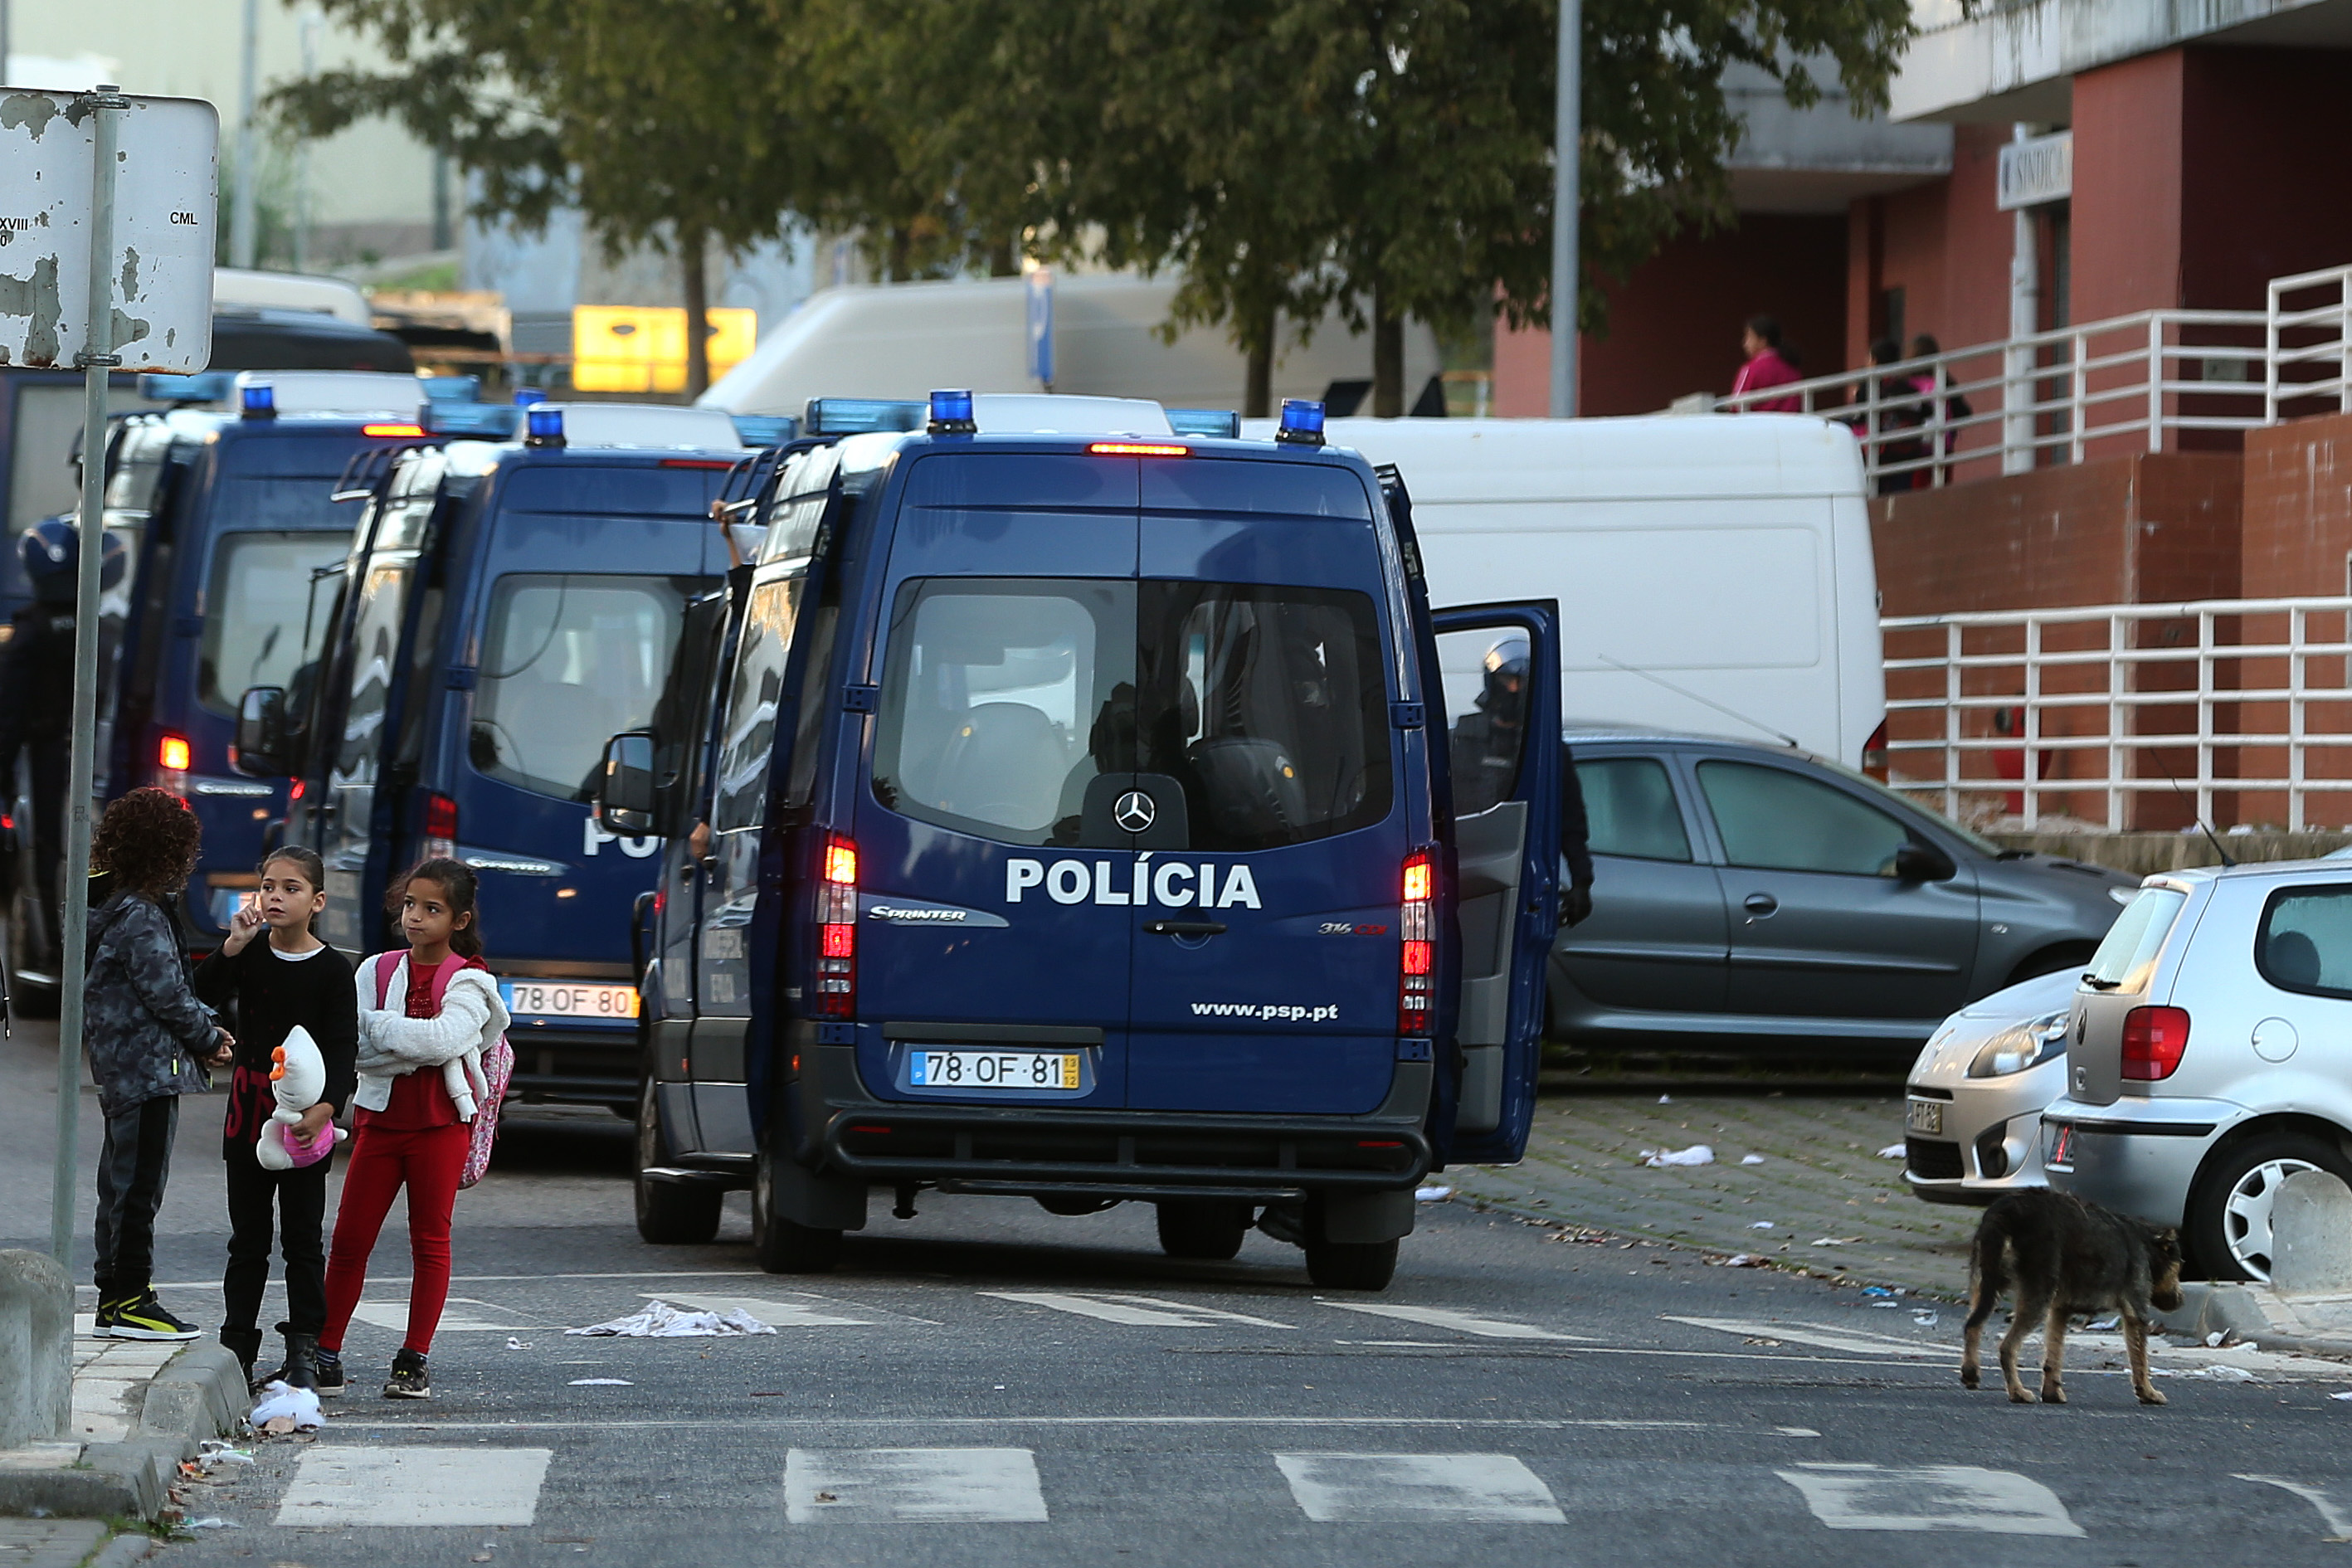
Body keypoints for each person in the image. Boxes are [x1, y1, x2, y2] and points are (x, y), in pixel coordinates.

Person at [316, 858, 508, 1400]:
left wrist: (383, 1035)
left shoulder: (470, 978)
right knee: (350, 1241)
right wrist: (402, 1044)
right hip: (379, 1123)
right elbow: (349, 1042)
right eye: (409, 905)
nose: (415, 917)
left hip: (441, 1126)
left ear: (460, 919)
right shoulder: (374, 970)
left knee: (430, 1241)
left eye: (432, 909)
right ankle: (325, 1353)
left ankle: (413, 1359)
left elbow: (444, 1040)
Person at [193, 846, 357, 1390]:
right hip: (249, 1111)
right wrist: (232, 945)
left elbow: (342, 1050)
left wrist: (325, 1111)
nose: (276, 897)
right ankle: (236, 1347)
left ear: (318, 901)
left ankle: (306, 1352)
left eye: (290, 888)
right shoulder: (252, 953)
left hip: (306, 1118)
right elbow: (201, 998)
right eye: (268, 886)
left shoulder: (334, 969)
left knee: (304, 1240)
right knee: (248, 1239)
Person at [84, 787, 234, 1341]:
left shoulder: (121, 908)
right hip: (146, 1071)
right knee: (138, 1188)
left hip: (129, 1068)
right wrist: (209, 1036)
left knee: (122, 1186)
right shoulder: (141, 916)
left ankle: (115, 1297)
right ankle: (130, 1299)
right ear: (169, 852)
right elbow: (166, 993)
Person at [0, 519, 126, 960]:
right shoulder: (105, 628)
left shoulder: (30, 632)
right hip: (105, 753)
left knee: (52, 848)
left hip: (49, 754)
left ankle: (59, 944)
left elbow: (11, 713)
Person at [1448, 636, 1595, 927]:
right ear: (1491, 680)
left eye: (1522, 681)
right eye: (1507, 679)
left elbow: (1571, 823)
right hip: (1461, 875)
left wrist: (1582, 882)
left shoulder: (1547, 750)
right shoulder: (1457, 742)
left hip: (1523, 880)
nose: (1514, 689)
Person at [1909, 334, 1973, 485]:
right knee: (1942, 488)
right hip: (1943, 447)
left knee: (1917, 489)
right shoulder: (1944, 381)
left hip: (1915, 448)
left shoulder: (1906, 383)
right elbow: (1964, 412)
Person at [1729, 315, 1804, 413]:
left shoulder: (1750, 369)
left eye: (1749, 337)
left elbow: (1736, 405)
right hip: (1790, 425)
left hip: (1758, 426)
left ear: (1762, 341)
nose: (1745, 343)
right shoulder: (1793, 368)